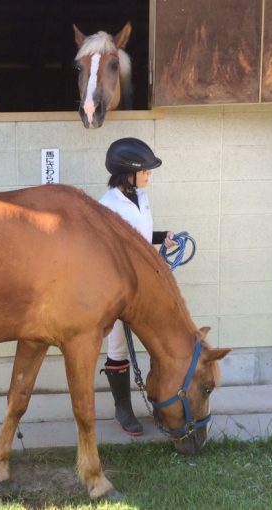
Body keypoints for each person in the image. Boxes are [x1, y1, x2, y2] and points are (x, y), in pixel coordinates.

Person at [98, 137, 178, 436]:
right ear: (128, 173)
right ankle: (123, 408)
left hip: (146, 285)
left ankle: (163, 398)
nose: (149, 174)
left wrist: (162, 237)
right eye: (145, 170)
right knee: (118, 346)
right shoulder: (107, 207)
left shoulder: (139, 197)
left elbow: (138, 235)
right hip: (121, 289)